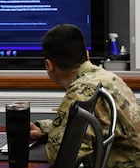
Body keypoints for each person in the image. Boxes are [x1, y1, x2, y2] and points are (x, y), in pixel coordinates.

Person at [30, 24, 140, 168]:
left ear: (49, 65)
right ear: (87, 55)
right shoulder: (107, 77)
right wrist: (43, 129)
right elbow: (93, 126)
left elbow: (59, 158)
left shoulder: (81, 92)